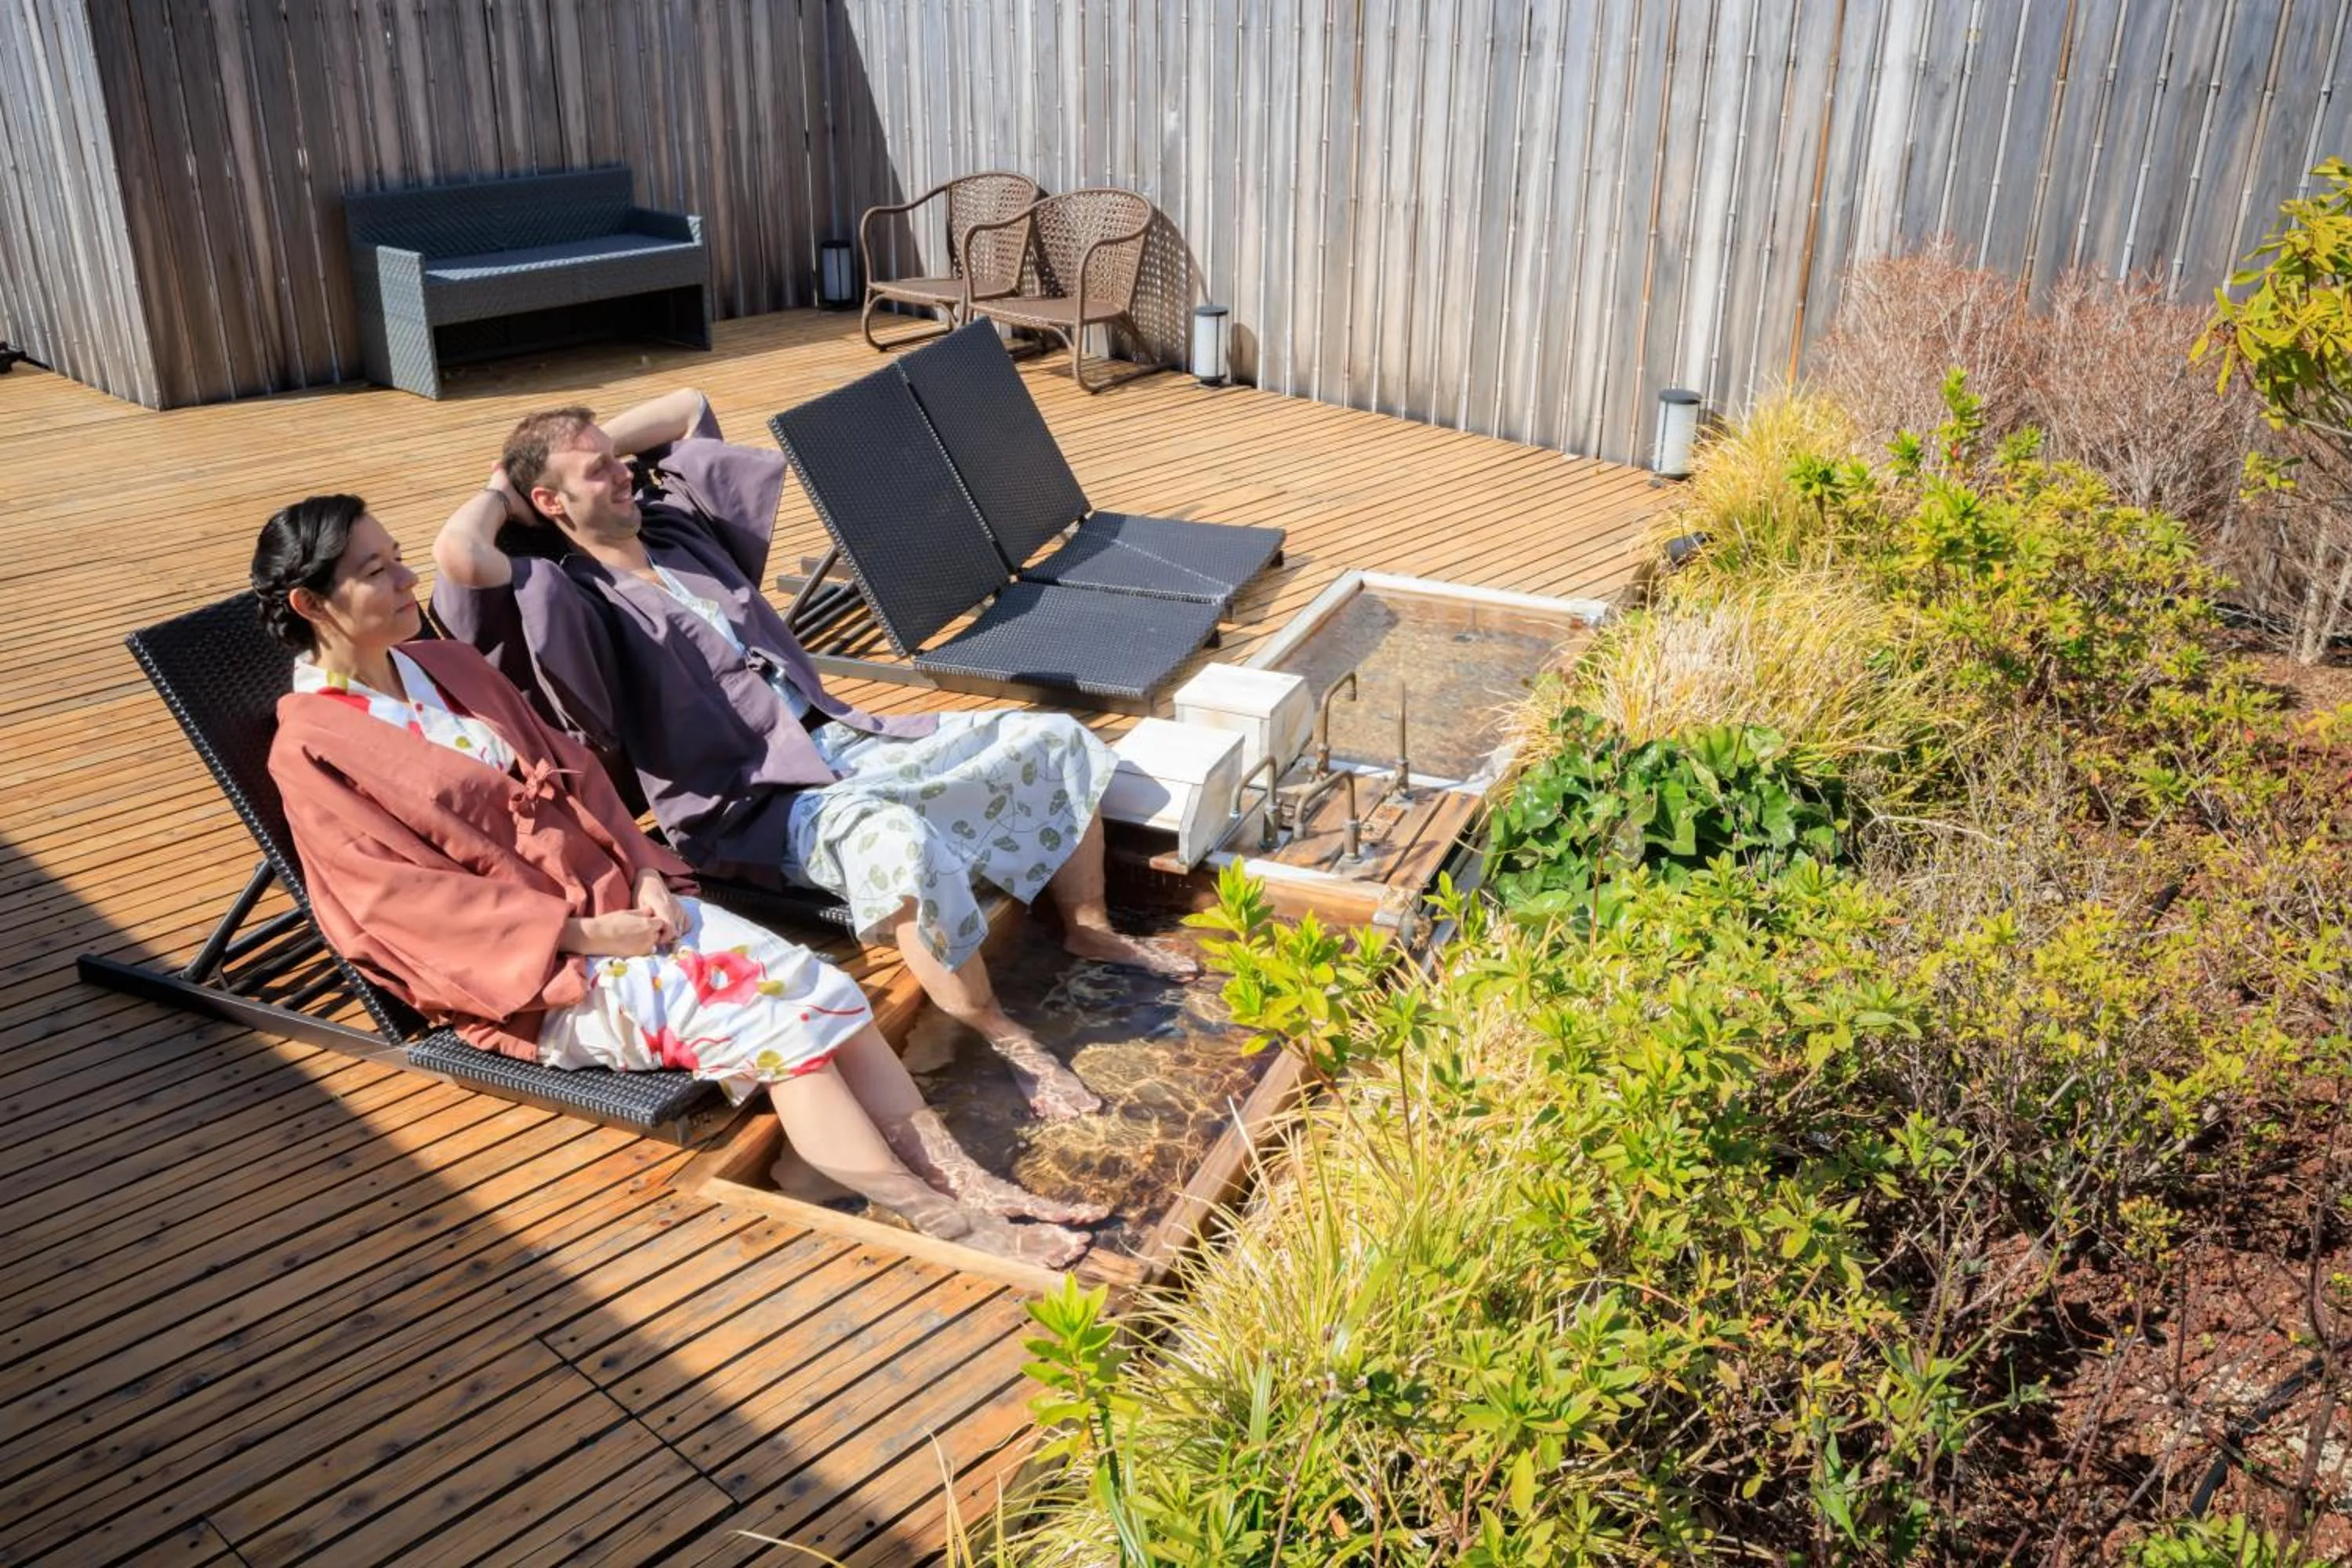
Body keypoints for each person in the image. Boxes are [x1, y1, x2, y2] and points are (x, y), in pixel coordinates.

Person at [255, 493, 1100, 1268]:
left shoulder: (446, 666)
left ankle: (972, 1180)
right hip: (535, 974)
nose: (409, 580)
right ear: (311, 604)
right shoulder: (313, 749)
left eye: (400, 556)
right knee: (770, 1020)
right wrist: (582, 933)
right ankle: (943, 1216)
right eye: (377, 572)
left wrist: (649, 873)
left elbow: (576, 771)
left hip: (625, 904)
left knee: (820, 984)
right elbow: (395, 903)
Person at [430, 390, 1197, 1123]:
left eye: (617, 459)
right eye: (596, 471)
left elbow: (689, 407)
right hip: (757, 800)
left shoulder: (676, 528)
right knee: (898, 845)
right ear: (552, 505)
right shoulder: (572, 596)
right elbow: (458, 555)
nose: (622, 471)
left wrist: (595, 449)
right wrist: (506, 486)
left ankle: (1085, 922)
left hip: (839, 737)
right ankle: (1006, 1036)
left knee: (1054, 738)